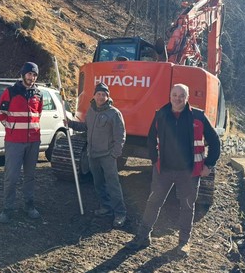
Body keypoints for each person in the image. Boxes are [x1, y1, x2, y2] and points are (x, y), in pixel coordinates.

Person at [125, 83, 220, 255]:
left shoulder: (198, 117)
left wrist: (209, 165)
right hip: (164, 170)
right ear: (170, 96)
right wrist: (155, 160)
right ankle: (143, 236)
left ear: (187, 97)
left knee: (187, 206)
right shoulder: (161, 114)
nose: (178, 98)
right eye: (175, 95)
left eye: (181, 95)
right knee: (153, 202)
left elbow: (215, 141)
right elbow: (151, 139)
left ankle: (184, 242)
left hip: (189, 172)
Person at [67, 82, 127, 228]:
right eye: (98, 94)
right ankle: (106, 207)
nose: (101, 97)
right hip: (92, 154)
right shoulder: (91, 111)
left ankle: (120, 213)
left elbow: (120, 136)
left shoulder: (114, 113)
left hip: (107, 156)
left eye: (103, 94)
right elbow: (85, 127)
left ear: (108, 97)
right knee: (98, 183)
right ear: (94, 95)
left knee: (113, 184)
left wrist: (115, 154)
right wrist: (71, 124)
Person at [0, 62, 44, 224]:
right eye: (29, 74)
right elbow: (1, 113)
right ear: (23, 74)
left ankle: (29, 205)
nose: (32, 77)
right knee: (11, 176)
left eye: (34, 75)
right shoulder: (11, 92)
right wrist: (12, 128)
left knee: (30, 176)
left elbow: (38, 113)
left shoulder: (39, 94)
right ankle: (8, 209)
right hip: (15, 142)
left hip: (34, 141)